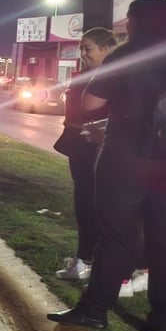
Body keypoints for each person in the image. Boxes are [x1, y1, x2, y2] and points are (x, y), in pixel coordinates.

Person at [48, 0, 166, 331]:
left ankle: (95, 309)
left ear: (136, 21)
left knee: (116, 236)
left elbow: (91, 100)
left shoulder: (127, 53)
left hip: (125, 157)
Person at [52, 28, 115, 281]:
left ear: (106, 48)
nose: (82, 54)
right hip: (79, 147)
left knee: (89, 206)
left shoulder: (109, 76)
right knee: (83, 204)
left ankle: (85, 261)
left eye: (88, 48)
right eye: (81, 49)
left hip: (93, 150)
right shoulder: (91, 74)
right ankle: (85, 257)